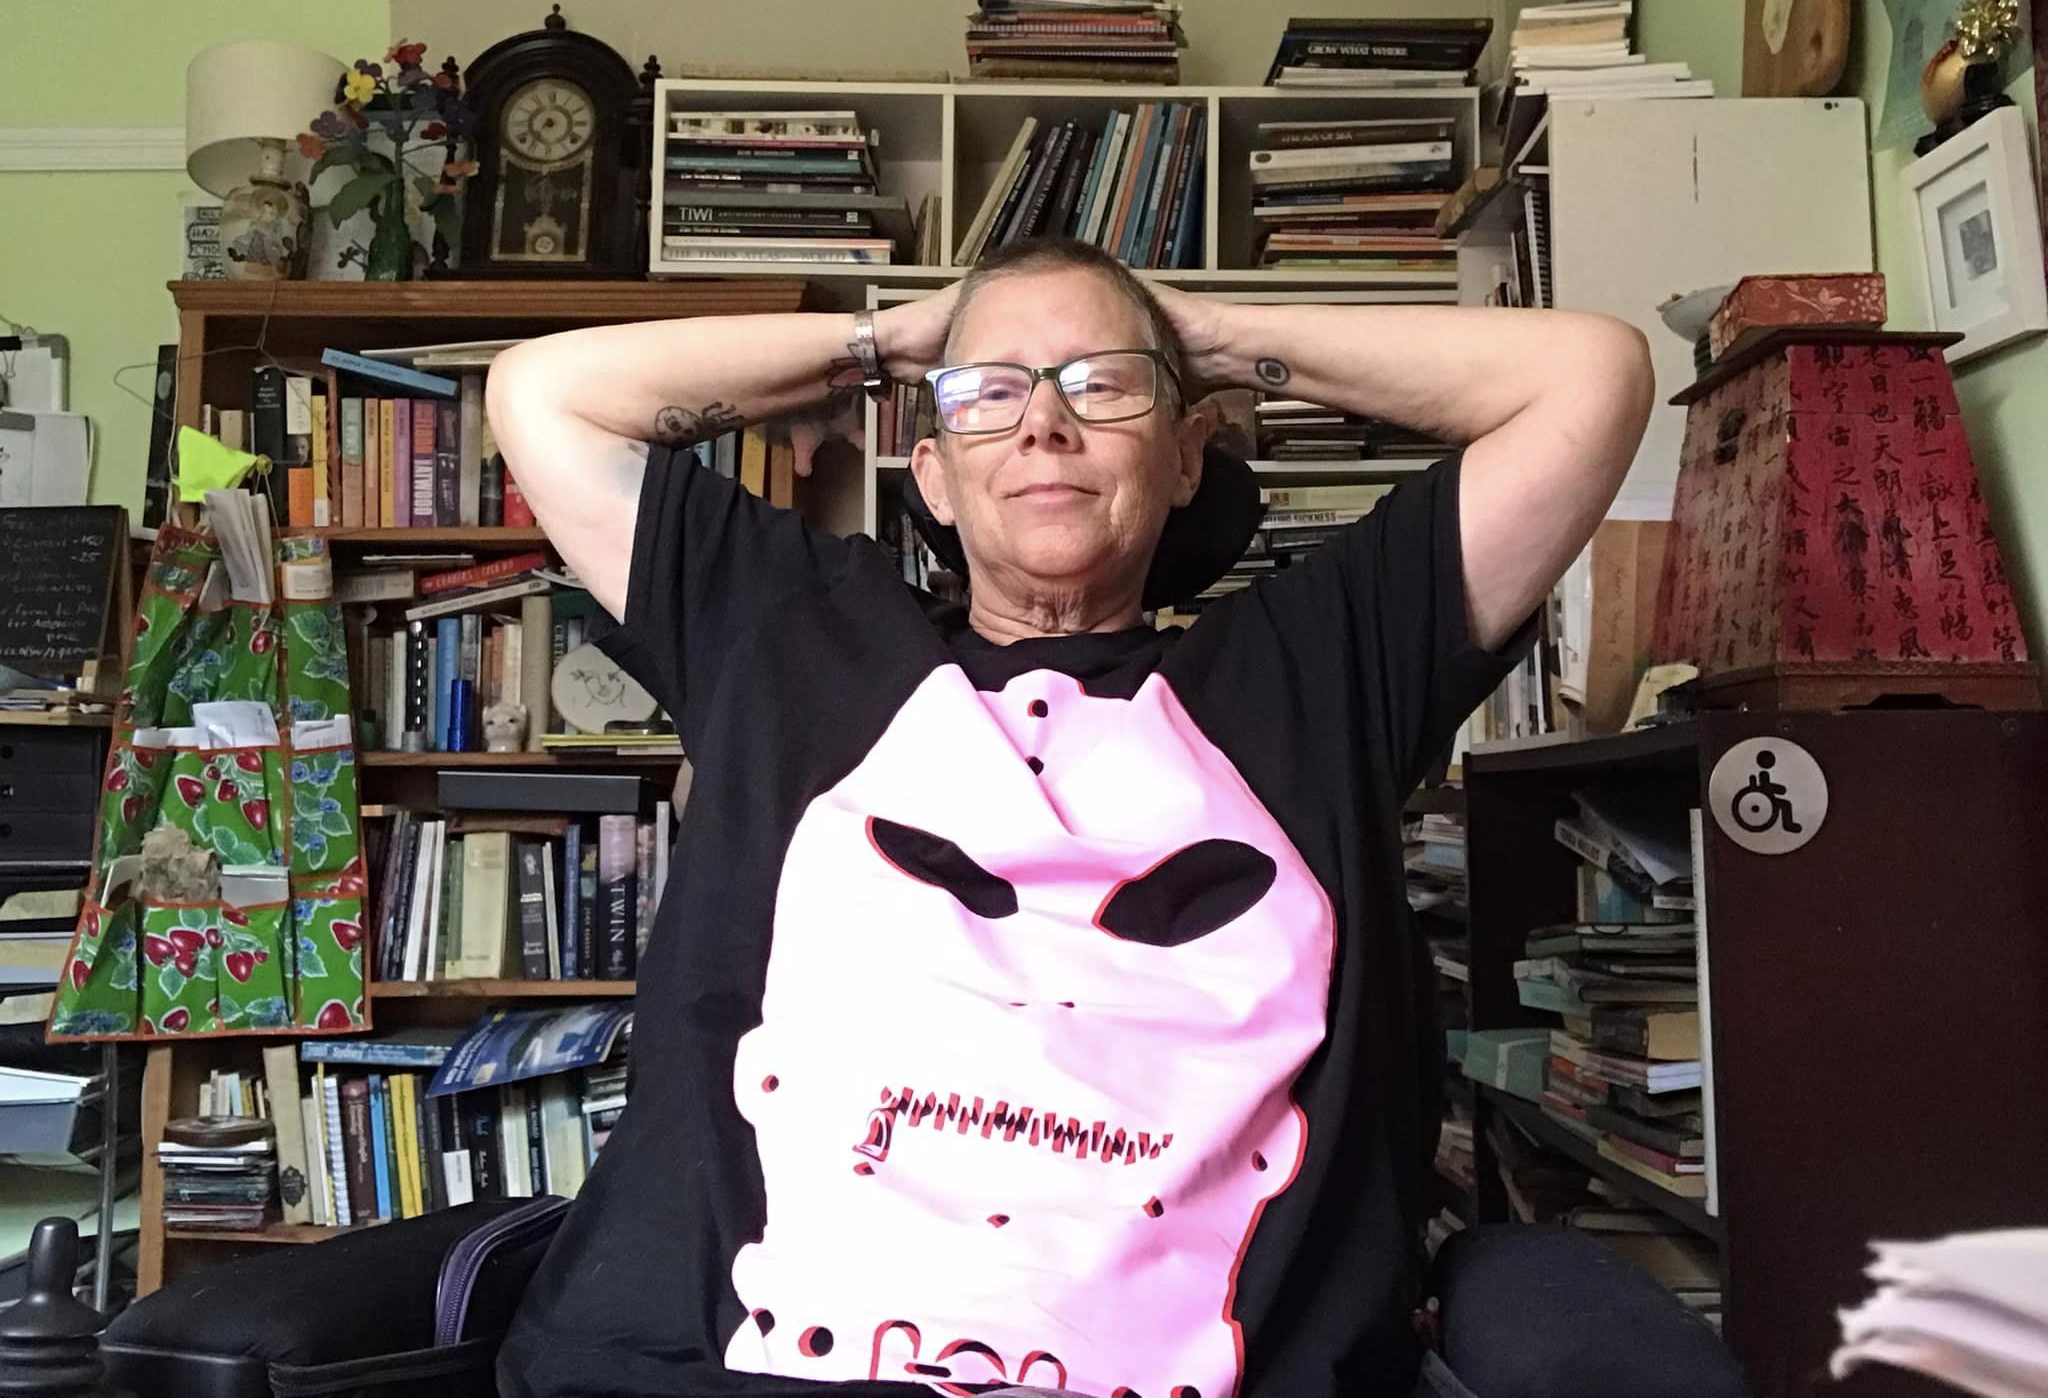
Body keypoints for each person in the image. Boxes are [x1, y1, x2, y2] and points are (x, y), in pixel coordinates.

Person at [484, 236, 1653, 1398]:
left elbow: (1588, 376)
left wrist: (1210, 339)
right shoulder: (794, 635)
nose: (1043, 423)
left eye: (1099, 386)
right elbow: (545, 396)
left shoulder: (1310, 667)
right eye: (991, 395)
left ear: (1188, 452)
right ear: (932, 476)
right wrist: (889, 340)